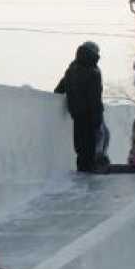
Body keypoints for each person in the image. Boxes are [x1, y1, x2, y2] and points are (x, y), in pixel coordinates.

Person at [54, 41, 105, 173]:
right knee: (91, 144)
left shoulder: (71, 69)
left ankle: (82, 171)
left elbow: (59, 89)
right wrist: (98, 116)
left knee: (80, 145)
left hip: (76, 113)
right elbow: (95, 97)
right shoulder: (93, 71)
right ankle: (90, 171)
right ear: (93, 53)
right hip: (90, 113)